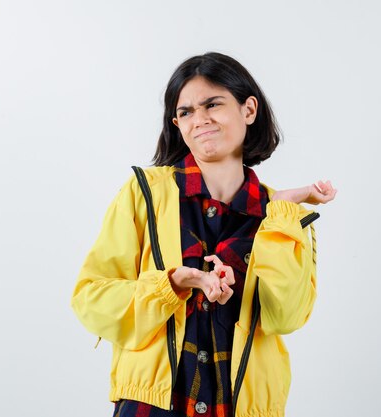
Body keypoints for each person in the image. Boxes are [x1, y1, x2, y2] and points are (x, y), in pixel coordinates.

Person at [71, 52, 337, 417]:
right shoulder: (142, 194)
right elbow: (90, 299)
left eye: (213, 104)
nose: (200, 119)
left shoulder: (284, 217)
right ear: (176, 124)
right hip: (153, 407)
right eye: (186, 111)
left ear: (249, 109)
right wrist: (173, 283)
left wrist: (282, 214)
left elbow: (285, 316)